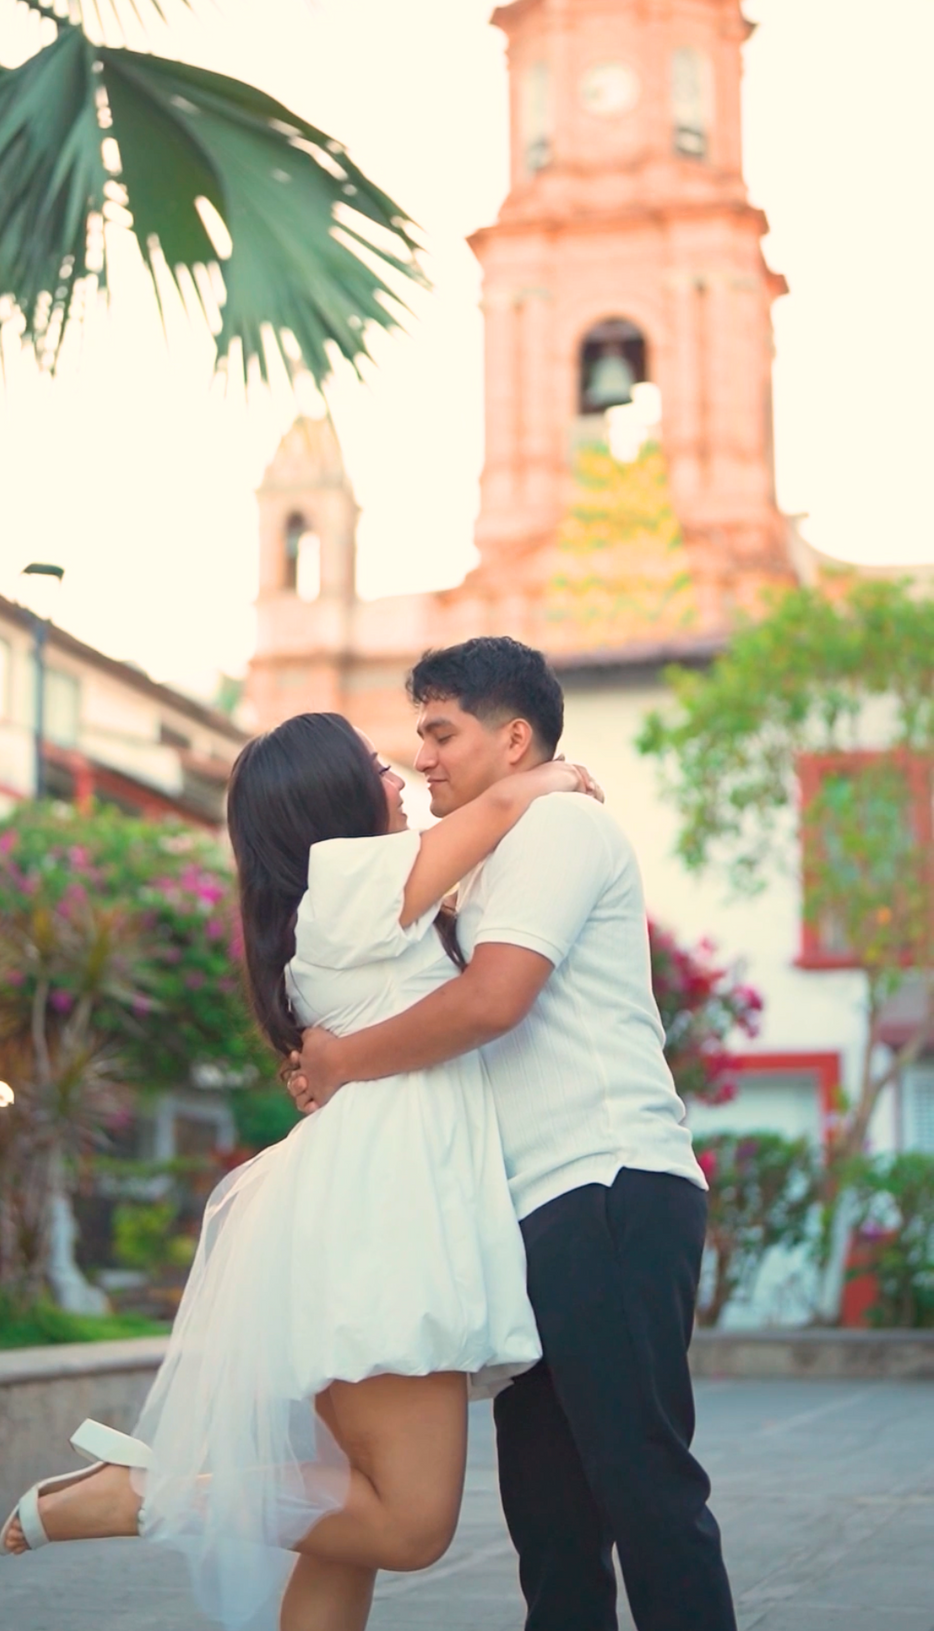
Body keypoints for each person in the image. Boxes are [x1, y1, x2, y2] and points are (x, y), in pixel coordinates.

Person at [0, 710, 600, 1631]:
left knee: (341, 1521)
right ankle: (141, 1494)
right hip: (385, 1224)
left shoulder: (326, 910)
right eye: (372, 764)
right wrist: (551, 778)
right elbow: (499, 807)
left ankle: (145, 1489)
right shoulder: (354, 876)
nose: (398, 773)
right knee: (406, 1525)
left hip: (350, 1217)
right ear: (331, 797)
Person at [289, 637, 738, 1631]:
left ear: (515, 736)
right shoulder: (485, 858)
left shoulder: (557, 827)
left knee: (643, 1488)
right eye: (418, 736)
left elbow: (493, 1001)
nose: (423, 757)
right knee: (550, 1521)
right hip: (536, 1213)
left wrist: (341, 1062)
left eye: (441, 732)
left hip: (606, 1183)